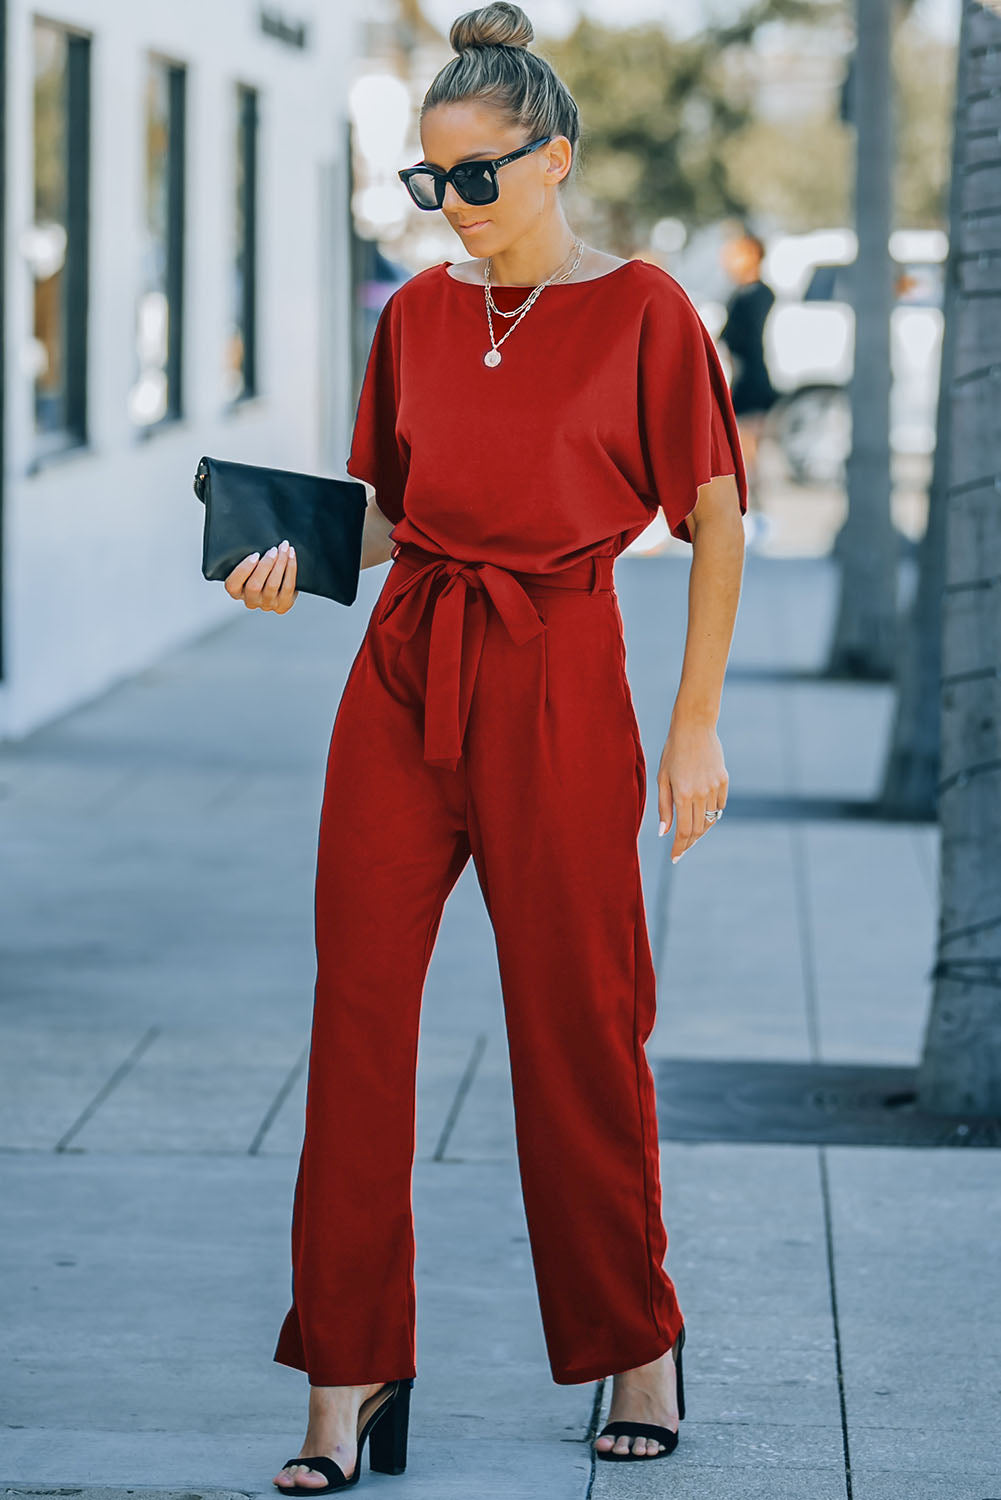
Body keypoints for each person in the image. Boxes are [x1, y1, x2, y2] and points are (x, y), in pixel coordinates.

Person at [224, 2, 746, 1488]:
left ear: (553, 159)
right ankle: (349, 1371)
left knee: (577, 1025)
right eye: (425, 182)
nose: (449, 209)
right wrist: (289, 560)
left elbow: (714, 516)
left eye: (475, 177)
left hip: (560, 671)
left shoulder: (645, 309)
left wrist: (692, 726)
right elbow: (389, 511)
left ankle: (634, 1344)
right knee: (358, 1025)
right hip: (404, 676)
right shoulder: (415, 317)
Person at [719, 228, 777, 547]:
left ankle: (756, 514)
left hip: (750, 379)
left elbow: (737, 338)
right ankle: (755, 513)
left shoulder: (753, 295)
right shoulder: (750, 293)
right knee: (746, 452)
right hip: (746, 377)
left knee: (747, 453)